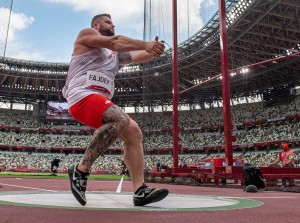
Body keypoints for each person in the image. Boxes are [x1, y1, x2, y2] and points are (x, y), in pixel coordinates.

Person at [62, 13, 169, 206]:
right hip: (81, 95)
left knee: (134, 133)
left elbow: (137, 55)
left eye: (113, 22)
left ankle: (140, 190)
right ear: (96, 25)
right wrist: (145, 44)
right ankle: (81, 169)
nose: (113, 25)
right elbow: (116, 42)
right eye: (108, 22)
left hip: (100, 100)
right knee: (121, 119)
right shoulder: (86, 34)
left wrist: (154, 51)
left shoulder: (115, 56)